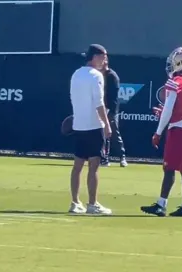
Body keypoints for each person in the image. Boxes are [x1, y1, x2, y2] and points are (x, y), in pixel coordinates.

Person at [140, 47, 182, 217]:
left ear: (180, 63)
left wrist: (158, 132)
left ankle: (161, 204)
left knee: (169, 167)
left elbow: (168, 109)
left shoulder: (175, 82)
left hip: (180, 127)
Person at [68, 44, 113, 215]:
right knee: (93, 166)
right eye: (103, 56)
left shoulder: (76, 74)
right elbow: (99, 103)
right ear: (94, 57)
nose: (105, 60)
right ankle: (92, 204)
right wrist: (107, 124)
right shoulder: (96, 76)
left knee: (77, 165)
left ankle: (75, 203)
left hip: (79, 126)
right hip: (93, 126)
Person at [99, 58, 128, 167]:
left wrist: (109, 110)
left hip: (111, 110)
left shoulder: (112, 76)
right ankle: (104, 158)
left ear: (105, 62)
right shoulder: (97, 76)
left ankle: (122, 158)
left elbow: (113, 97)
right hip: (100, 109)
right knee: (102, 135)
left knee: (113, 133)